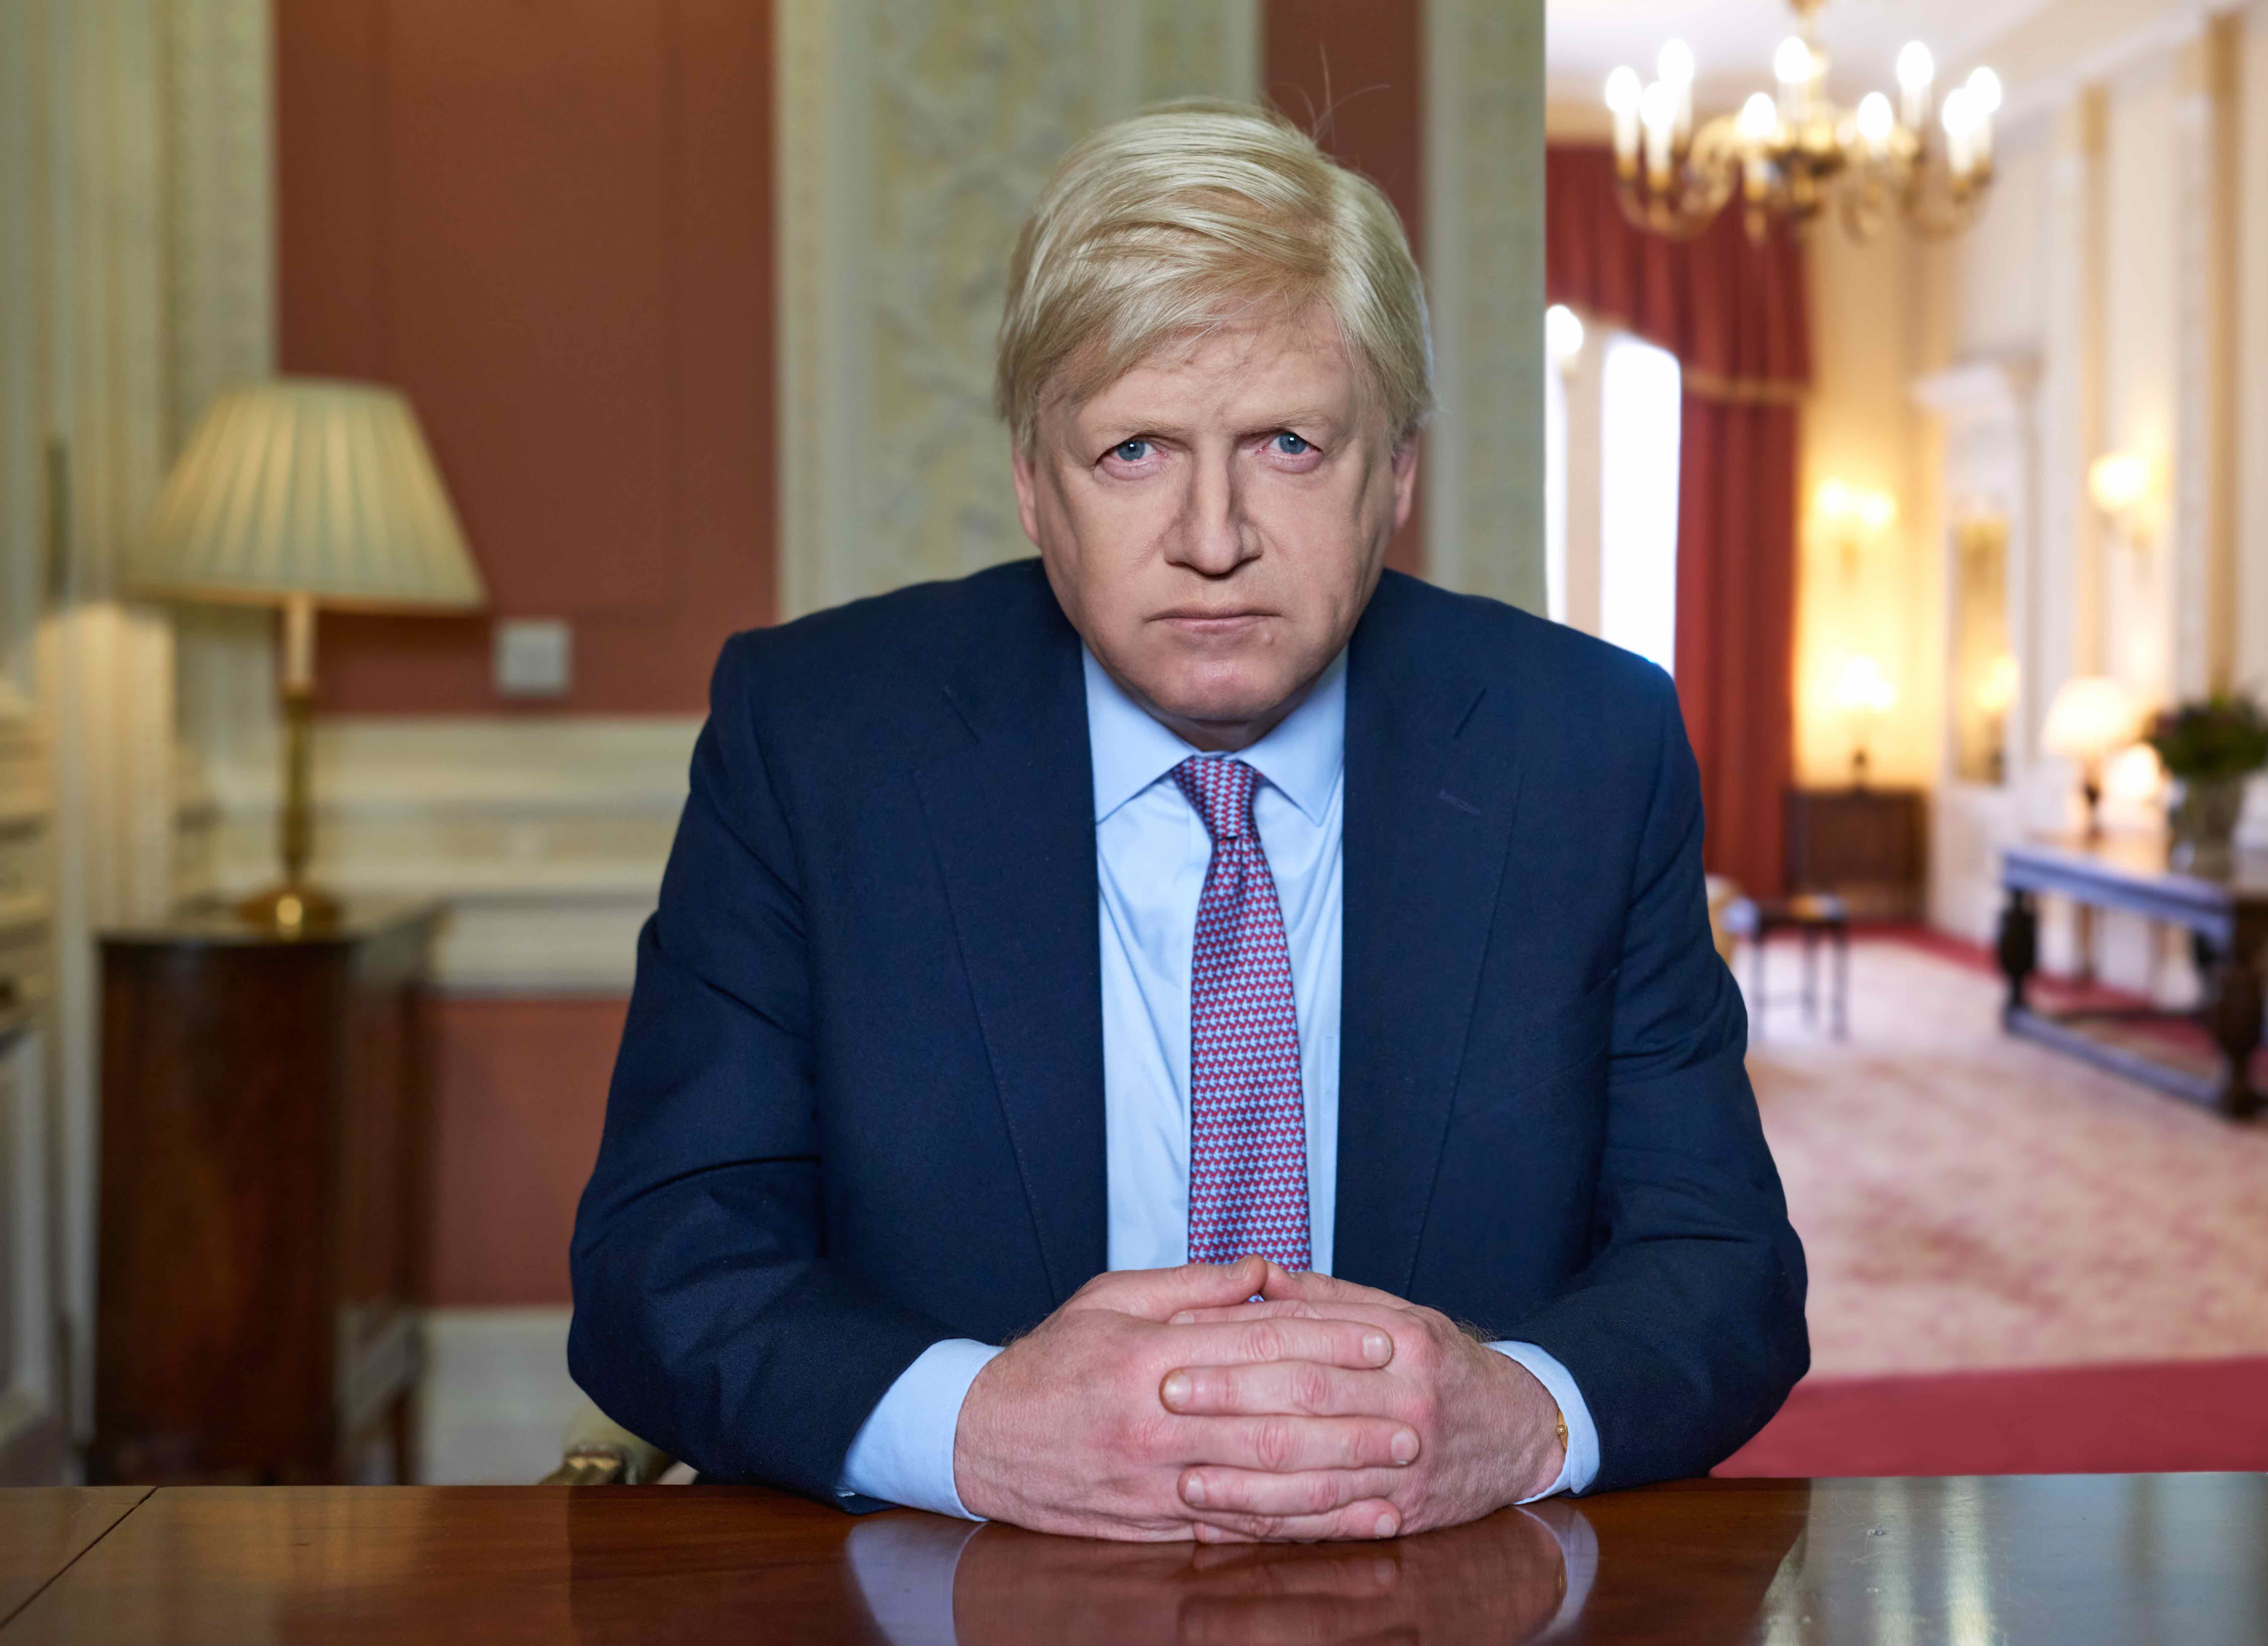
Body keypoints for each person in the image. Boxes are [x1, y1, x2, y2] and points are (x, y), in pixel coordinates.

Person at [569, 100, 1805, 1544]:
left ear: (1397, 473)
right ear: (1034, 485)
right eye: (1135, 450)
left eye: (1288, 443)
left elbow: (1721, 1268)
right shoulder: (816, 741)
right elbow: (663, 1266)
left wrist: (1521, 1414)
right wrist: (976, 1429)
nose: (1213, 540)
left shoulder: (1588, 748)